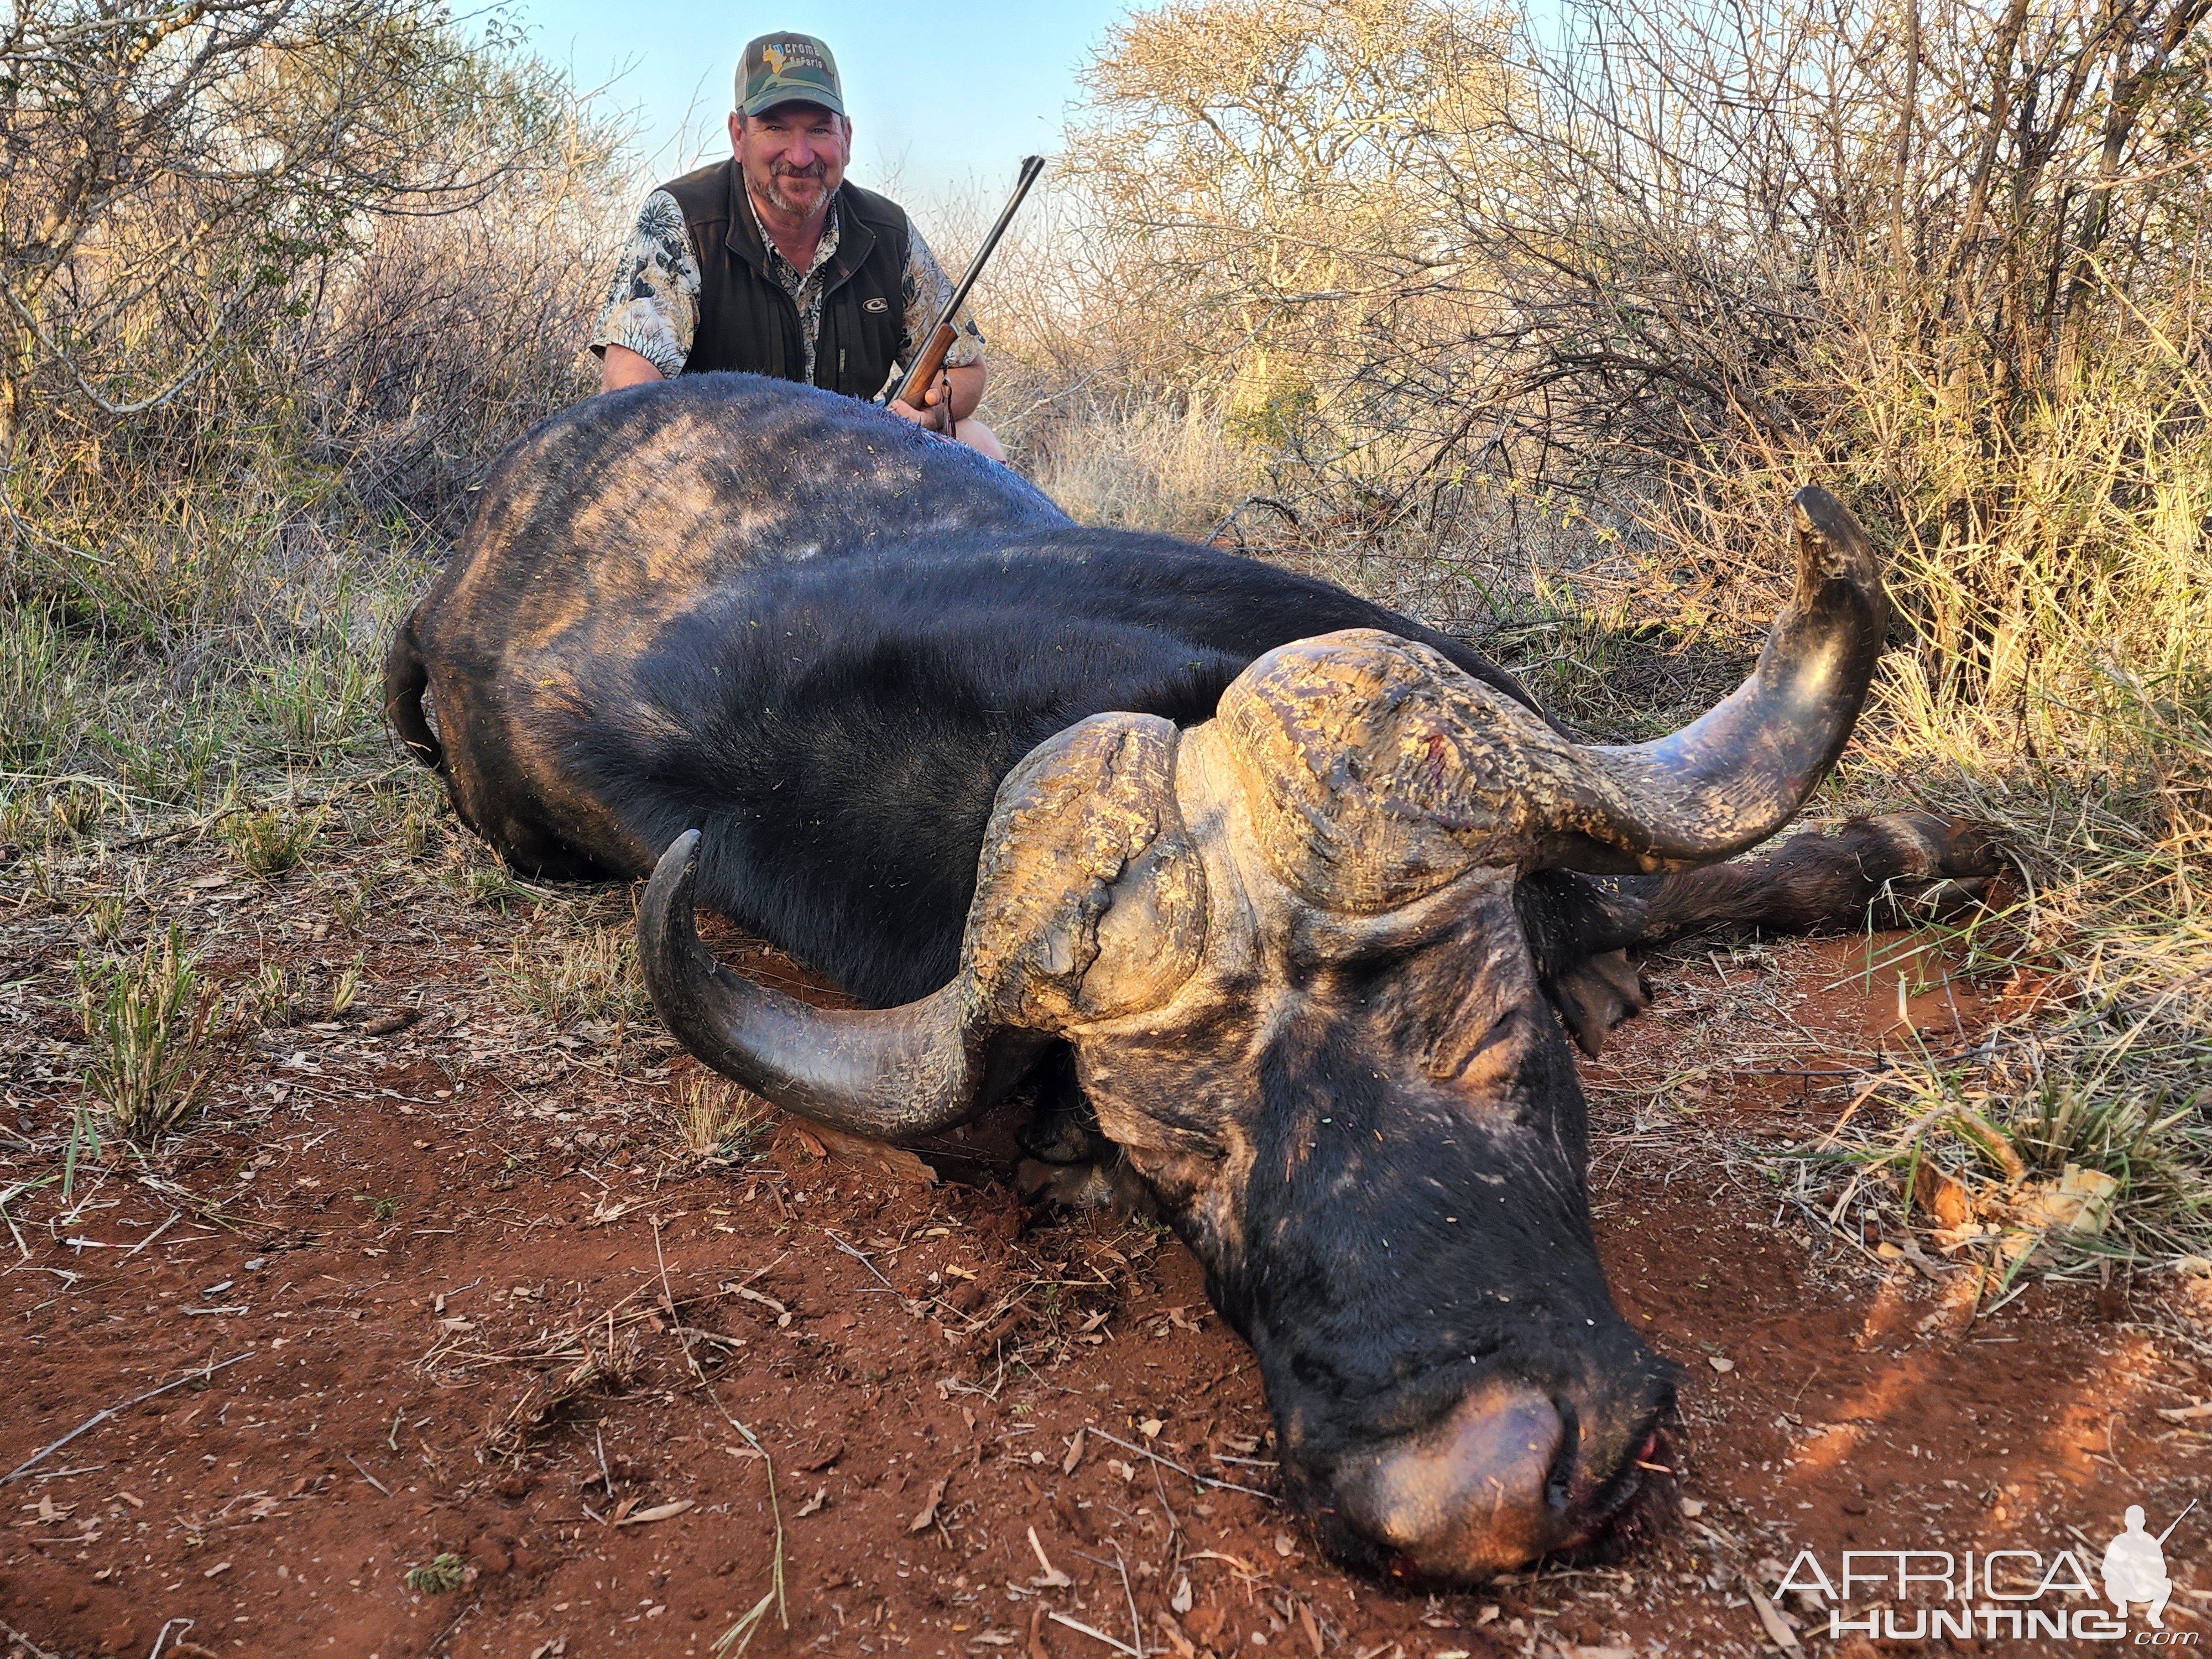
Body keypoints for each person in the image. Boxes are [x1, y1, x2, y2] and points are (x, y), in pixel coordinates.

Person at [589, 32, 1004, 460]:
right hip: (722, 465)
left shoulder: (889, 232)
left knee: (978, 443)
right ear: (738, 135)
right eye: (776, 128)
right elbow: (628, 384)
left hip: (852, 460)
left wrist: (930, 414)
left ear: (846, 136)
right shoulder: (683, 218)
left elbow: (967, 368)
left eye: (820, 129)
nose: (802, 155)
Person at [2101, 1505, 2173, 1627]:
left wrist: (2147, 1564)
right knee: (2110, 1582)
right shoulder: (2119, 1541)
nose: (2135, 1524)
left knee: (2167, 1584)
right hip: (2124, 1589)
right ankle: (2122, 1607)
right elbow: (2106, 1570)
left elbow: (2162, 1571)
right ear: (2126, 1521)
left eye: (2138, 1520)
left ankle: (2154, 1615)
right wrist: (2124, 1564)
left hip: (2145, 1589)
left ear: (2143, 1522)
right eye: (2132, 1520)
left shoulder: (2151, 1542)